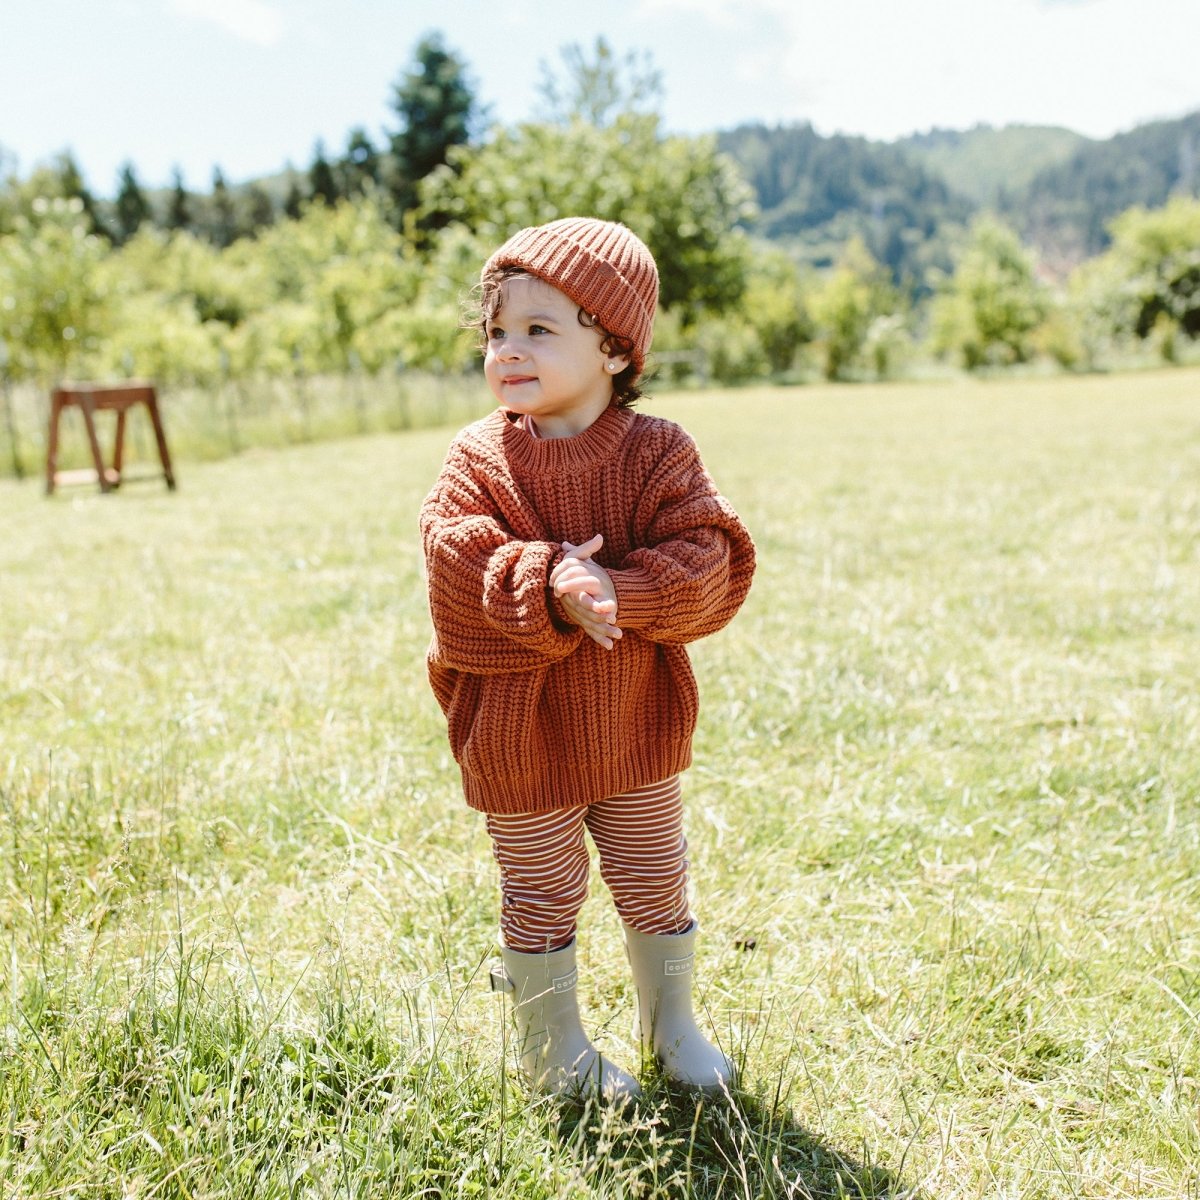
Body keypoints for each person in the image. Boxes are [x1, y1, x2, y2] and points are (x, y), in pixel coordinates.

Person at [419, 217, 756, 1103]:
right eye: (496, 330)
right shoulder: (479, 460)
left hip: (632, 722)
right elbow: (454, 562)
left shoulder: (658, 453)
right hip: (520, 735)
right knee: (540, 885)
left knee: (655, 871)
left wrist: (622, 590)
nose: (508, 349)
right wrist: (546, 582)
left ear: (613, 349)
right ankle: (554, 1048)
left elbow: (712, 559)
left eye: (539, 329)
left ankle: (670, 1026)